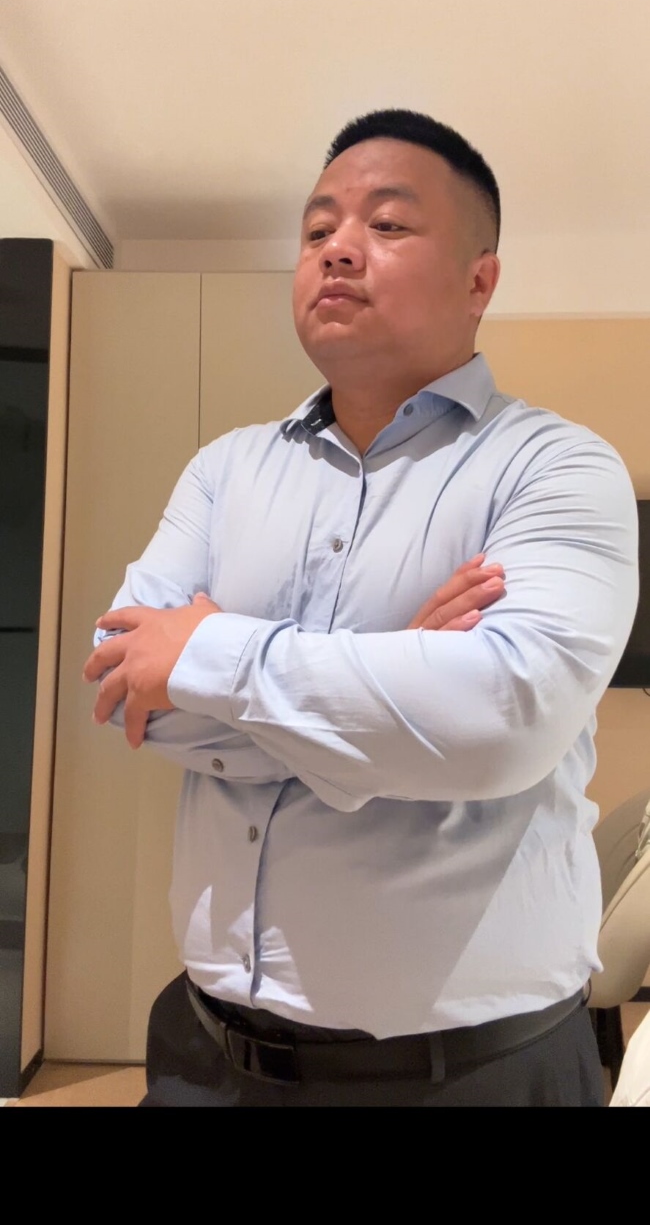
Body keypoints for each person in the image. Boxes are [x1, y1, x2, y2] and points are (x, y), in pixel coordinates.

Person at [82, 108, 639, 1106]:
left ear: (479, 280)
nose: (338, 248)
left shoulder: (555, 468)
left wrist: (208, 653)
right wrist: (392, 680)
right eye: (317, 228)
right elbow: (126, 681)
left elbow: (502, 722)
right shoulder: (225, 469)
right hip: (205, 1055)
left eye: (386, 224)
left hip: (468, 1072)